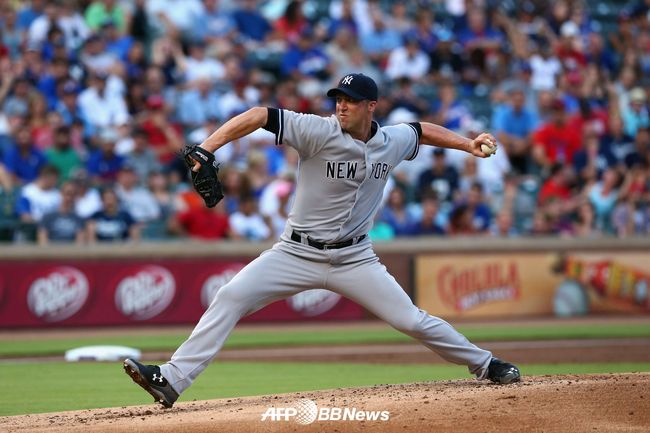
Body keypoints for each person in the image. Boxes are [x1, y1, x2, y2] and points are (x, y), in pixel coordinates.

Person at [123, 73, 521, 408]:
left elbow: (420, 131)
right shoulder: (317, 130)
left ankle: (486, 364)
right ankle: (171, 379)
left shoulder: (391, 140)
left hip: (355, 259)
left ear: (371, 106)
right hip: (295, 252)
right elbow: (260, 115)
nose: (342, 106)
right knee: (230, 296)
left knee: (411, 320)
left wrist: (467, 144)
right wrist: (208, 147)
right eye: (339, 99)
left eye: (351, 101)